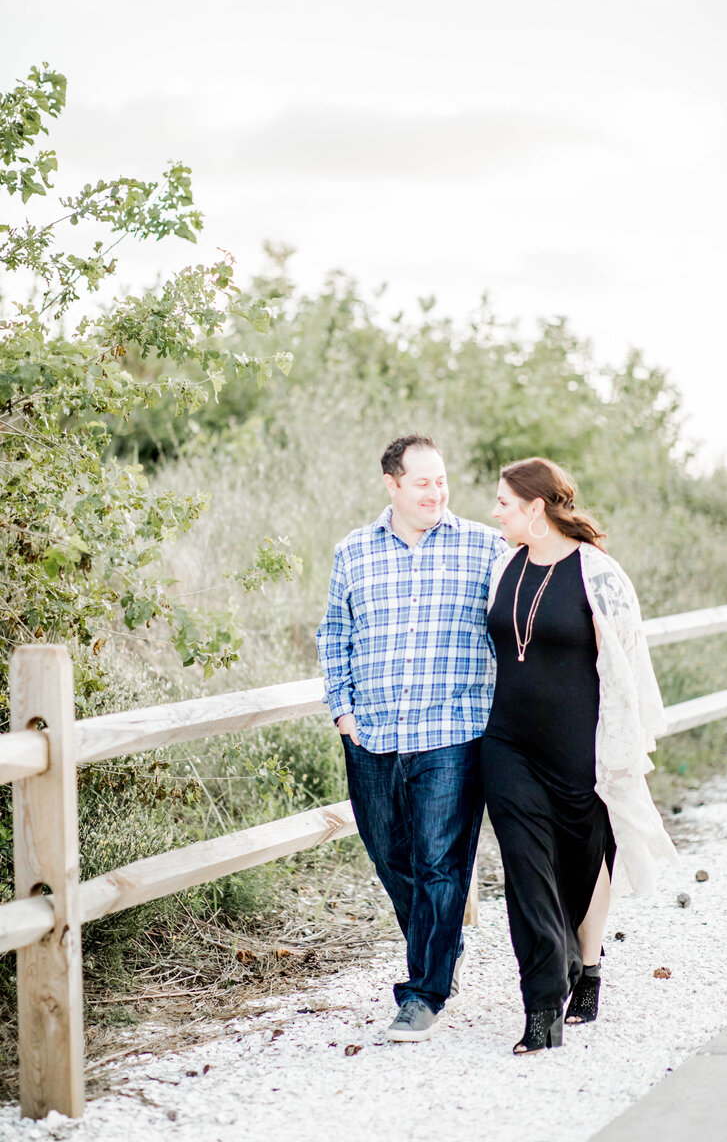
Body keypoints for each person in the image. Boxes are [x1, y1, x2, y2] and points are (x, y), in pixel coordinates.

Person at [481, 456, 678, 1055]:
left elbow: (627, 669)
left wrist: (619, 754)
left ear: (535, 509)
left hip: (578, 750)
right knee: (525, 872)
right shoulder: (502, 565)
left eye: (505, 504)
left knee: (585, 861)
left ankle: (587, 967)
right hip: (507, 744)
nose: (495, 513)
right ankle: (542, 1007)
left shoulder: (599, 575)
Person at [317, 435, 506, 1042]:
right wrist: (343, 715)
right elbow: (333, 635)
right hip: (371, 734)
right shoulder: (353, 552)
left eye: (442, 481)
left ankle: (424, 990)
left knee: (440, 863)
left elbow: (522, 615)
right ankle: (439, 950)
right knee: (390, 856)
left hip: (452, 732)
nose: (436, 492)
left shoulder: (484, 546)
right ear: (392, 483)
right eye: (422, 482)